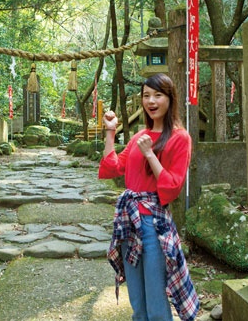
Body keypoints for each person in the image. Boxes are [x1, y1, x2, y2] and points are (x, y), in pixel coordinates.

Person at [99, 73, 199, 321]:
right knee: (137, 297)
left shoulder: (179, 137)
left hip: (153, 225)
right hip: (128, 221)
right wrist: (111, 133)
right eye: (146, 96)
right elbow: (113, 168)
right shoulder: (138, 137)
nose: (151, 101)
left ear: (170, 98)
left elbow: (172, 188)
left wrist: (150, 154)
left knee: (155, 295)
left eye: (158, 95)